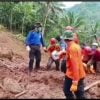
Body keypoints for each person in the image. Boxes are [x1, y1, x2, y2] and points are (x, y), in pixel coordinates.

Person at [63, 31, 86, 99]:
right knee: (79, 94)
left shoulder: (72, 48)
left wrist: (75, 81)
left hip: (73, 75)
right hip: (79, 74)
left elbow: (75, 65)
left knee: (67, 91)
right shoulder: (76, 46)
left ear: (65, 39)